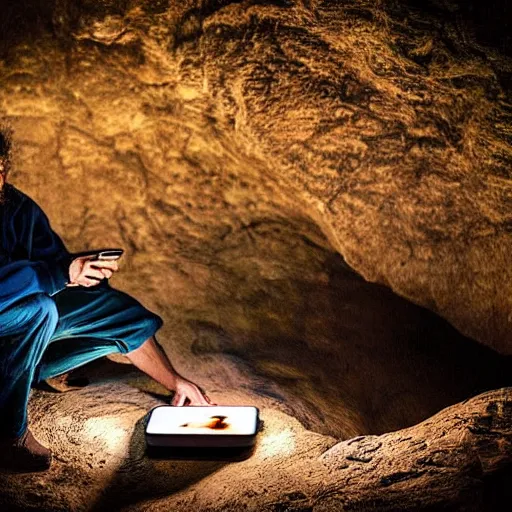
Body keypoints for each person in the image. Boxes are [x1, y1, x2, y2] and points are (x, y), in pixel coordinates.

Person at [0, 129, 212, 473]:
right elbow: (45, 277)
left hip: (16, 334)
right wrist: (58, 272)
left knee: (101, 302)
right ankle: (9, 435)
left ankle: (31, 373)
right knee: (39, 310)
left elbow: (55, 267)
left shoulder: (17, 208)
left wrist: (82, 273)